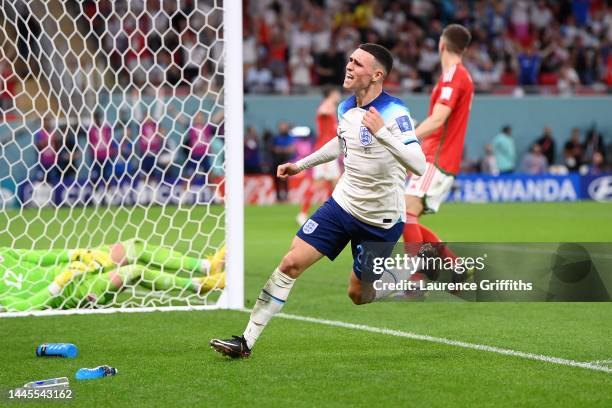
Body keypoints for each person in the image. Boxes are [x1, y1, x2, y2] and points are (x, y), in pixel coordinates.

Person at [210, 43, 426, 358]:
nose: (349, 66)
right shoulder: (345, 108)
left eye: (358, 63)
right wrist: (301, 165)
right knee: (290, 263)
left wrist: (383, 134)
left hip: (380, 221)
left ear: (378, 75)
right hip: (342, 205)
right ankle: (245, 341)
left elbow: (418, 164)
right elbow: (339, 143)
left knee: (358, 294)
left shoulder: (395, 112)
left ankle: (405, 280)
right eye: (349, 60)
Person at [403, 24, 474, 268]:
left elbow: (438, 119)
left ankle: (415, 281)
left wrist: (405, 138)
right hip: (434, 157)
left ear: (441, 44)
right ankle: (455, 268)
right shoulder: (454, 76)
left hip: (436, 158)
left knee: (405, 212)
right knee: (406, 215)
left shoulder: (454, 76)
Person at [0, 240, 225, 312]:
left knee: (133, 247)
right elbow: (26, 308)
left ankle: (206, 266)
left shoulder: (4, 254)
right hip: (71, 291)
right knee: (133, 272)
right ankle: (199, 285)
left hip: (76, 267)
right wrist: (61, 282)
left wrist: (77, 254)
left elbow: (39, 257)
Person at [296, 86, 342, 225]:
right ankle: (303, 213)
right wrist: (327, 108)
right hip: (325, 151)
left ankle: (330, 213)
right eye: (337, 93)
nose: (339, 96)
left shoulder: (332, 110)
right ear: (332, 94)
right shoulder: (327, 106)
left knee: (332, 183)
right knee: (325, 183)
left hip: (330, 150)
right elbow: (322, 111)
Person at [271, 122, 296, 202]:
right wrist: (284, 149)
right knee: (277, 180)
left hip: (286, 161)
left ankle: (286, 197)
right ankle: (278, 198)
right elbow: (273, 149)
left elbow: (291, 148)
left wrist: (280, 149)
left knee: (285, 180)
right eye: (281, 127)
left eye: (284, 127)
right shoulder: (276, 137)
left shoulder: (290, 137)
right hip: (276, 161)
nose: (283, 128)